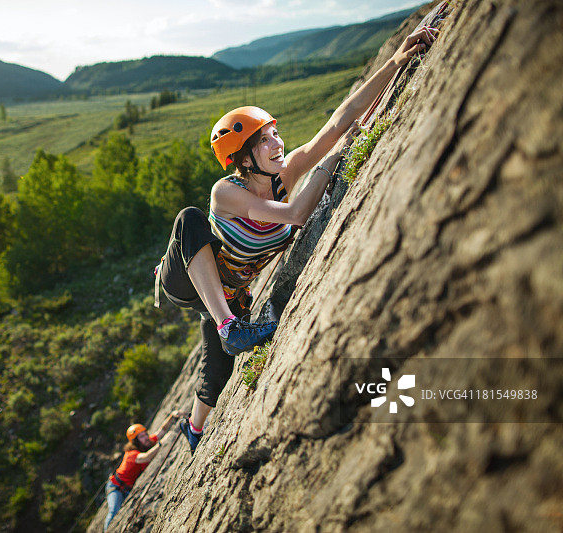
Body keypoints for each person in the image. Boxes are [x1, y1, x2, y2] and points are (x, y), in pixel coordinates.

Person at [152, 26, 439, 453]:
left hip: (226, 287)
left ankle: (192, 428)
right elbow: (295, 215)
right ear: (242, 159)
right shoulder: (227, 192)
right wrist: (330, 165)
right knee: (189, 218)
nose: (278, 144)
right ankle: (228, 323)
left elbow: (340, 120)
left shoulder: (285, 175)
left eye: (275, 134)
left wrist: (395, 62)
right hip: (184, 277)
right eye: (264, 140)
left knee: (218, 372)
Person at [104, 410, 186, 531]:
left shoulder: (146, 443)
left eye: (145, 434)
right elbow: (146, 457)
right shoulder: (131, 454)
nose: (146, 437)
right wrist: (161, 444)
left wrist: (171, 416)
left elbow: (161, 431)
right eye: (141, 437)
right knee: (114, 510)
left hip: (127, 488)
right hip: (116, 486)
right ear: (136, 441)